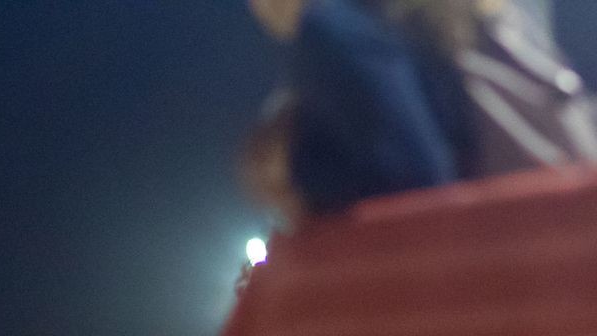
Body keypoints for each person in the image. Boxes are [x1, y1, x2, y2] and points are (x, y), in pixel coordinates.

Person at [245, 0, 596, 220]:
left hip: (512, 258)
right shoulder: (494, 17)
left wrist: (304, 180)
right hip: (572, 230)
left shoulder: (334, 31)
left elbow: (411, 185)